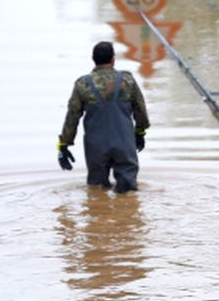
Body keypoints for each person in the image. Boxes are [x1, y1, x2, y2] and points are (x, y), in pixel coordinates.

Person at [57, 41, 150, 193]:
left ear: (93, 59)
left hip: (96, 148)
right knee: (128, 192)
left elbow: (72, 118)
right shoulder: (127, 80)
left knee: (96, 191)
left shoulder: (82, 84)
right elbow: (140, 110)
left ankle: (99, 213)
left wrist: (64, 145)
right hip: (124, 144)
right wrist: (140, 132)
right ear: (113, 59)